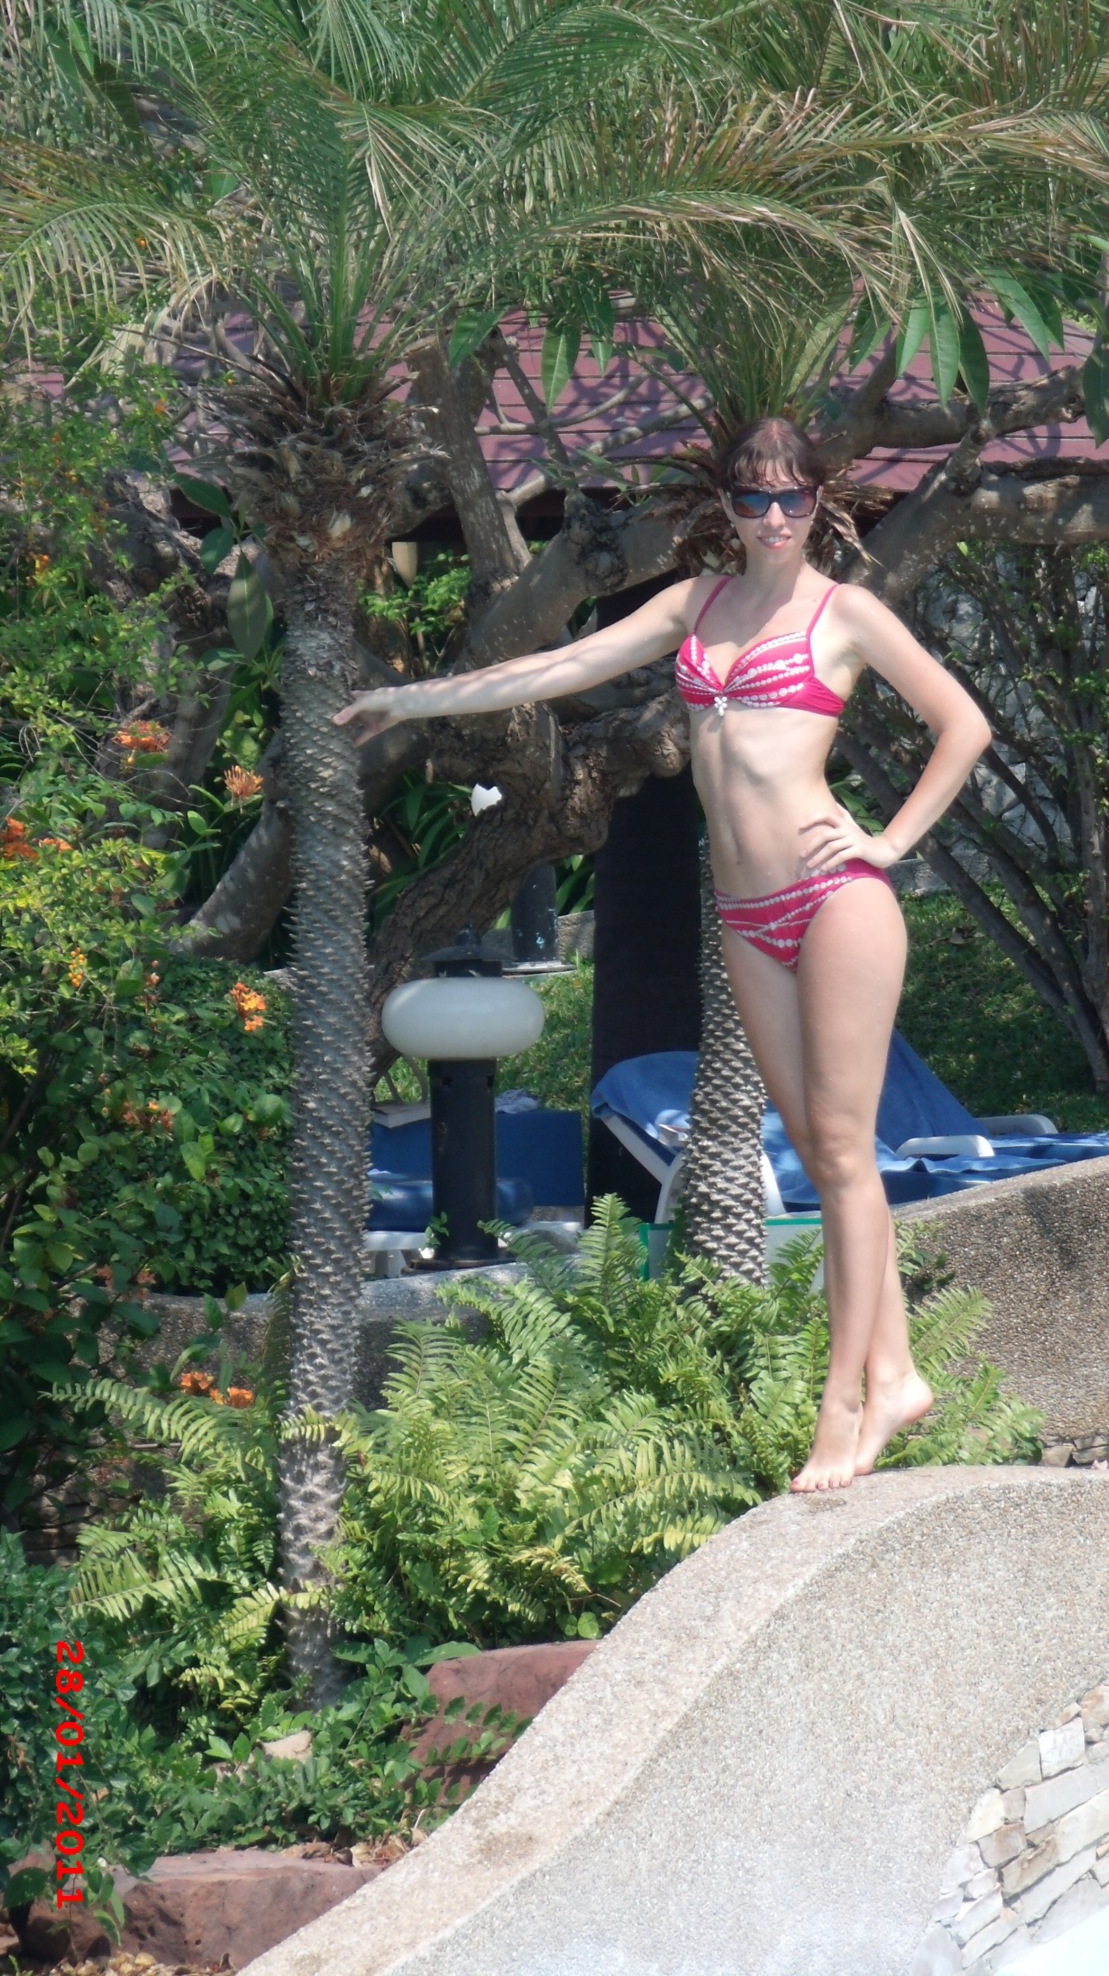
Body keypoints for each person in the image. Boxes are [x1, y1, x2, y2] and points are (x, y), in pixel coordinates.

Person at [336, 418, 991, 1491]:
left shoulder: (846, 612)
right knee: (823, 1154)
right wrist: (412, 699)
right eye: (753, 498)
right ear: (725, 505)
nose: (773, 517)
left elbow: (963, 726)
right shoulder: (695, 604)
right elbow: (561, 664)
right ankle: (900, 1372)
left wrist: (888, 842)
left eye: (791, 499)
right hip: (744, 913)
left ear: (818, 504)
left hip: (835, 897)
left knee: (841, 1151)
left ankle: (848, 1406)